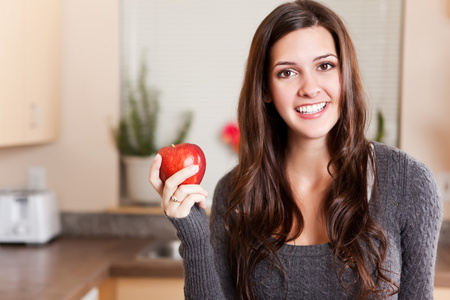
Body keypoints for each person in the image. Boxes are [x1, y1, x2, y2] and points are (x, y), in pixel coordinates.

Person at [149, 0, 442, 299]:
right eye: (287, 73)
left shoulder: (409, 182)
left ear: (345, 76)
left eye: (325, 66)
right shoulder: (236, 193)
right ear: (265, 89)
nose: (310, 87)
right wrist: (193, 233)